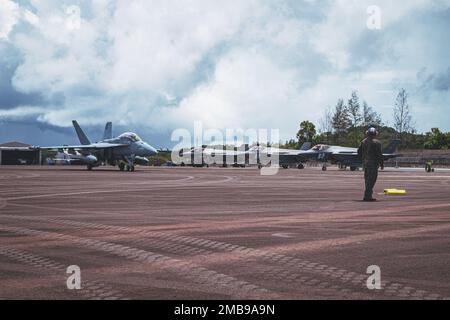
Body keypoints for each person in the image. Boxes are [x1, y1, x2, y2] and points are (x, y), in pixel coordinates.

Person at [357, 127, 384, 201]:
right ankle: (368, 196)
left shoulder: (363, 141)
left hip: (365, 163)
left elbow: (359, 152)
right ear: (375, 134)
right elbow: (379, 154)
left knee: (367, 179)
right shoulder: (377, 143)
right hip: (373, 164)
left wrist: (362, 159)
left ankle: (368, 195)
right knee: (372, 179)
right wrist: (381, 163)